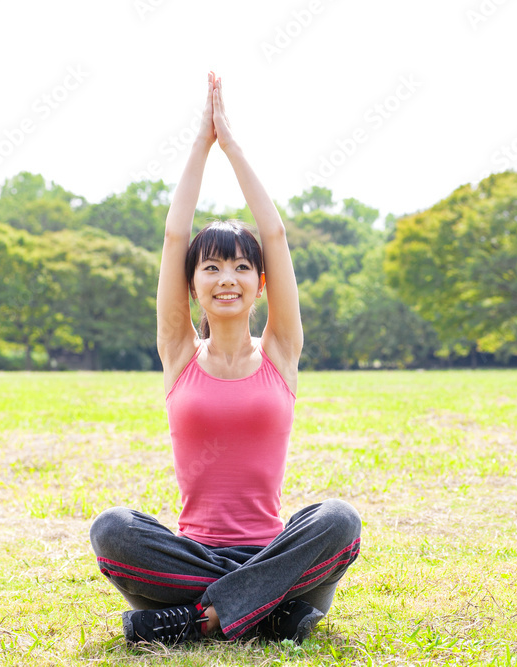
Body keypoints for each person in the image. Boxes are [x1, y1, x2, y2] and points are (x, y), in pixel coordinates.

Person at [88, 71, 361, 647]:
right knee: (112, 528)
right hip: (190, 558)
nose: (226, 278)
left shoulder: (281, 352)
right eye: (210, 267)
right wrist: (199, 144)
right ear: (192, 286)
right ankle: (268, 612)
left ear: (260, 284)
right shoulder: (179, 352)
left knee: (338, 519)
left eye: (240, 267)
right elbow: (172, 236)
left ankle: (203, 619)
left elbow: (277, 235)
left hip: (275, 552)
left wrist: (232, 147)